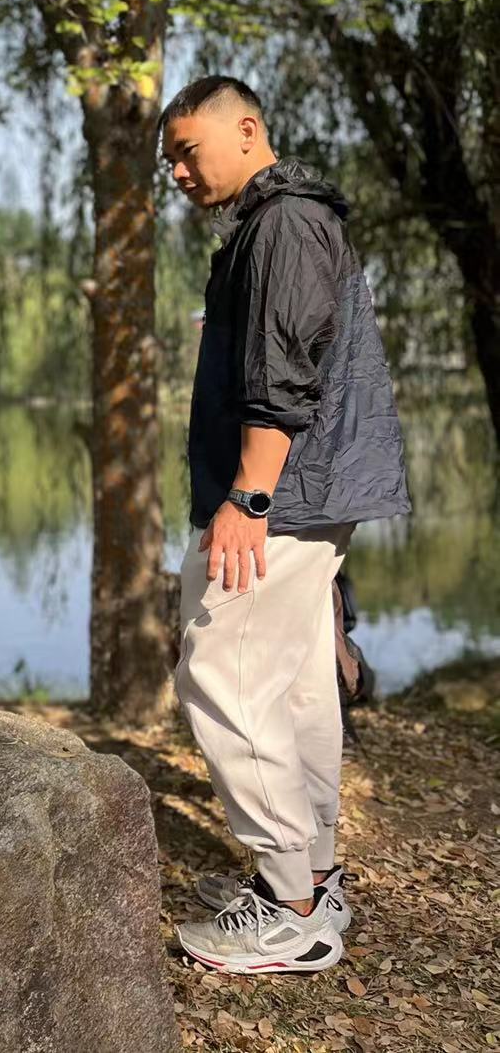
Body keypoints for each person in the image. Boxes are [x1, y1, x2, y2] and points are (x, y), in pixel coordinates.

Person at [161, 76, 409, 973]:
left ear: (246, 129)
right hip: (308, 494)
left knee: (218, 670)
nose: (177, 174)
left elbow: (288, 370)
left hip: (285, 497)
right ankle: (312, 875)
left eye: (187, 152)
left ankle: (290, 908)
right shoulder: (281, 222)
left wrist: (249, 498)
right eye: (170, 162)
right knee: (298, 684)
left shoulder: (285, 223)